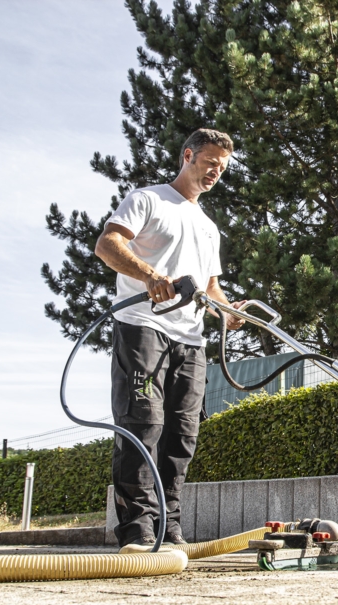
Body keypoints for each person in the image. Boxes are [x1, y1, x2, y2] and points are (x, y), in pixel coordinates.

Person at [95, 128, 244, 547]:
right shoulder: (149, 199)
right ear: (188, 155)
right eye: (211, 162)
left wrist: (229, 312)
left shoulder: (209, 227)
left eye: (223, 167)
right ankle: (137, 528)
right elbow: (108, 245)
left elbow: (210, 288)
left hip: (190, 340)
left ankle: (168, 524)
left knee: (181, 434)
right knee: (143, 424)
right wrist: (150, 275)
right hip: (143, 325)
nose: (216, 172)